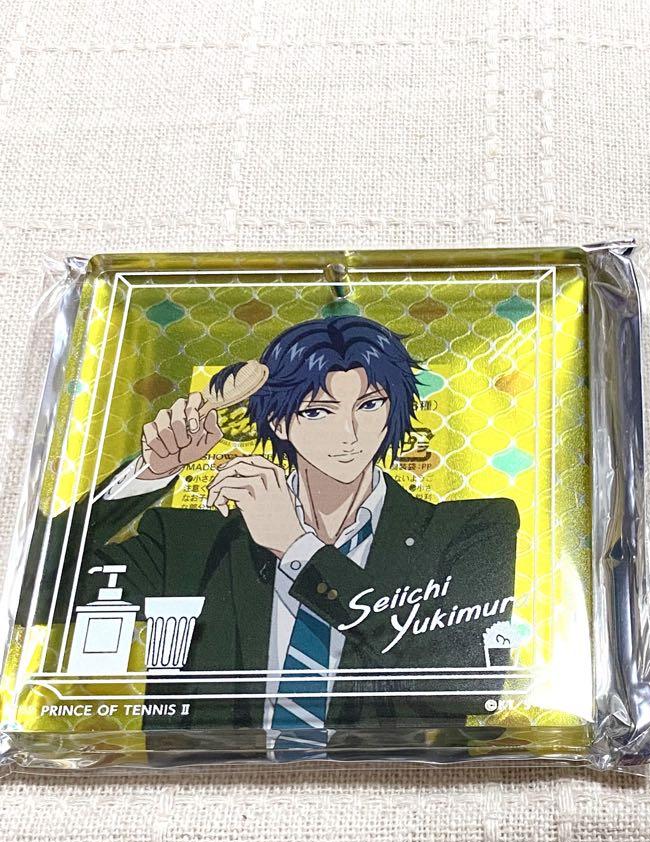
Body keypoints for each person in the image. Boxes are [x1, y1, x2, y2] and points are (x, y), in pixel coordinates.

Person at [29, 315, 519, 757]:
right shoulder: (192, 543)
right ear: (280, 421)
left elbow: (471, 688)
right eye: (318, 411)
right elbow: (33, 590)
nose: (349, 433)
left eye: (369, 405)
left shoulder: (469, 530)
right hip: (206, 794)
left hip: (393, 789)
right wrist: (149, 473)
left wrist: (298, 548)